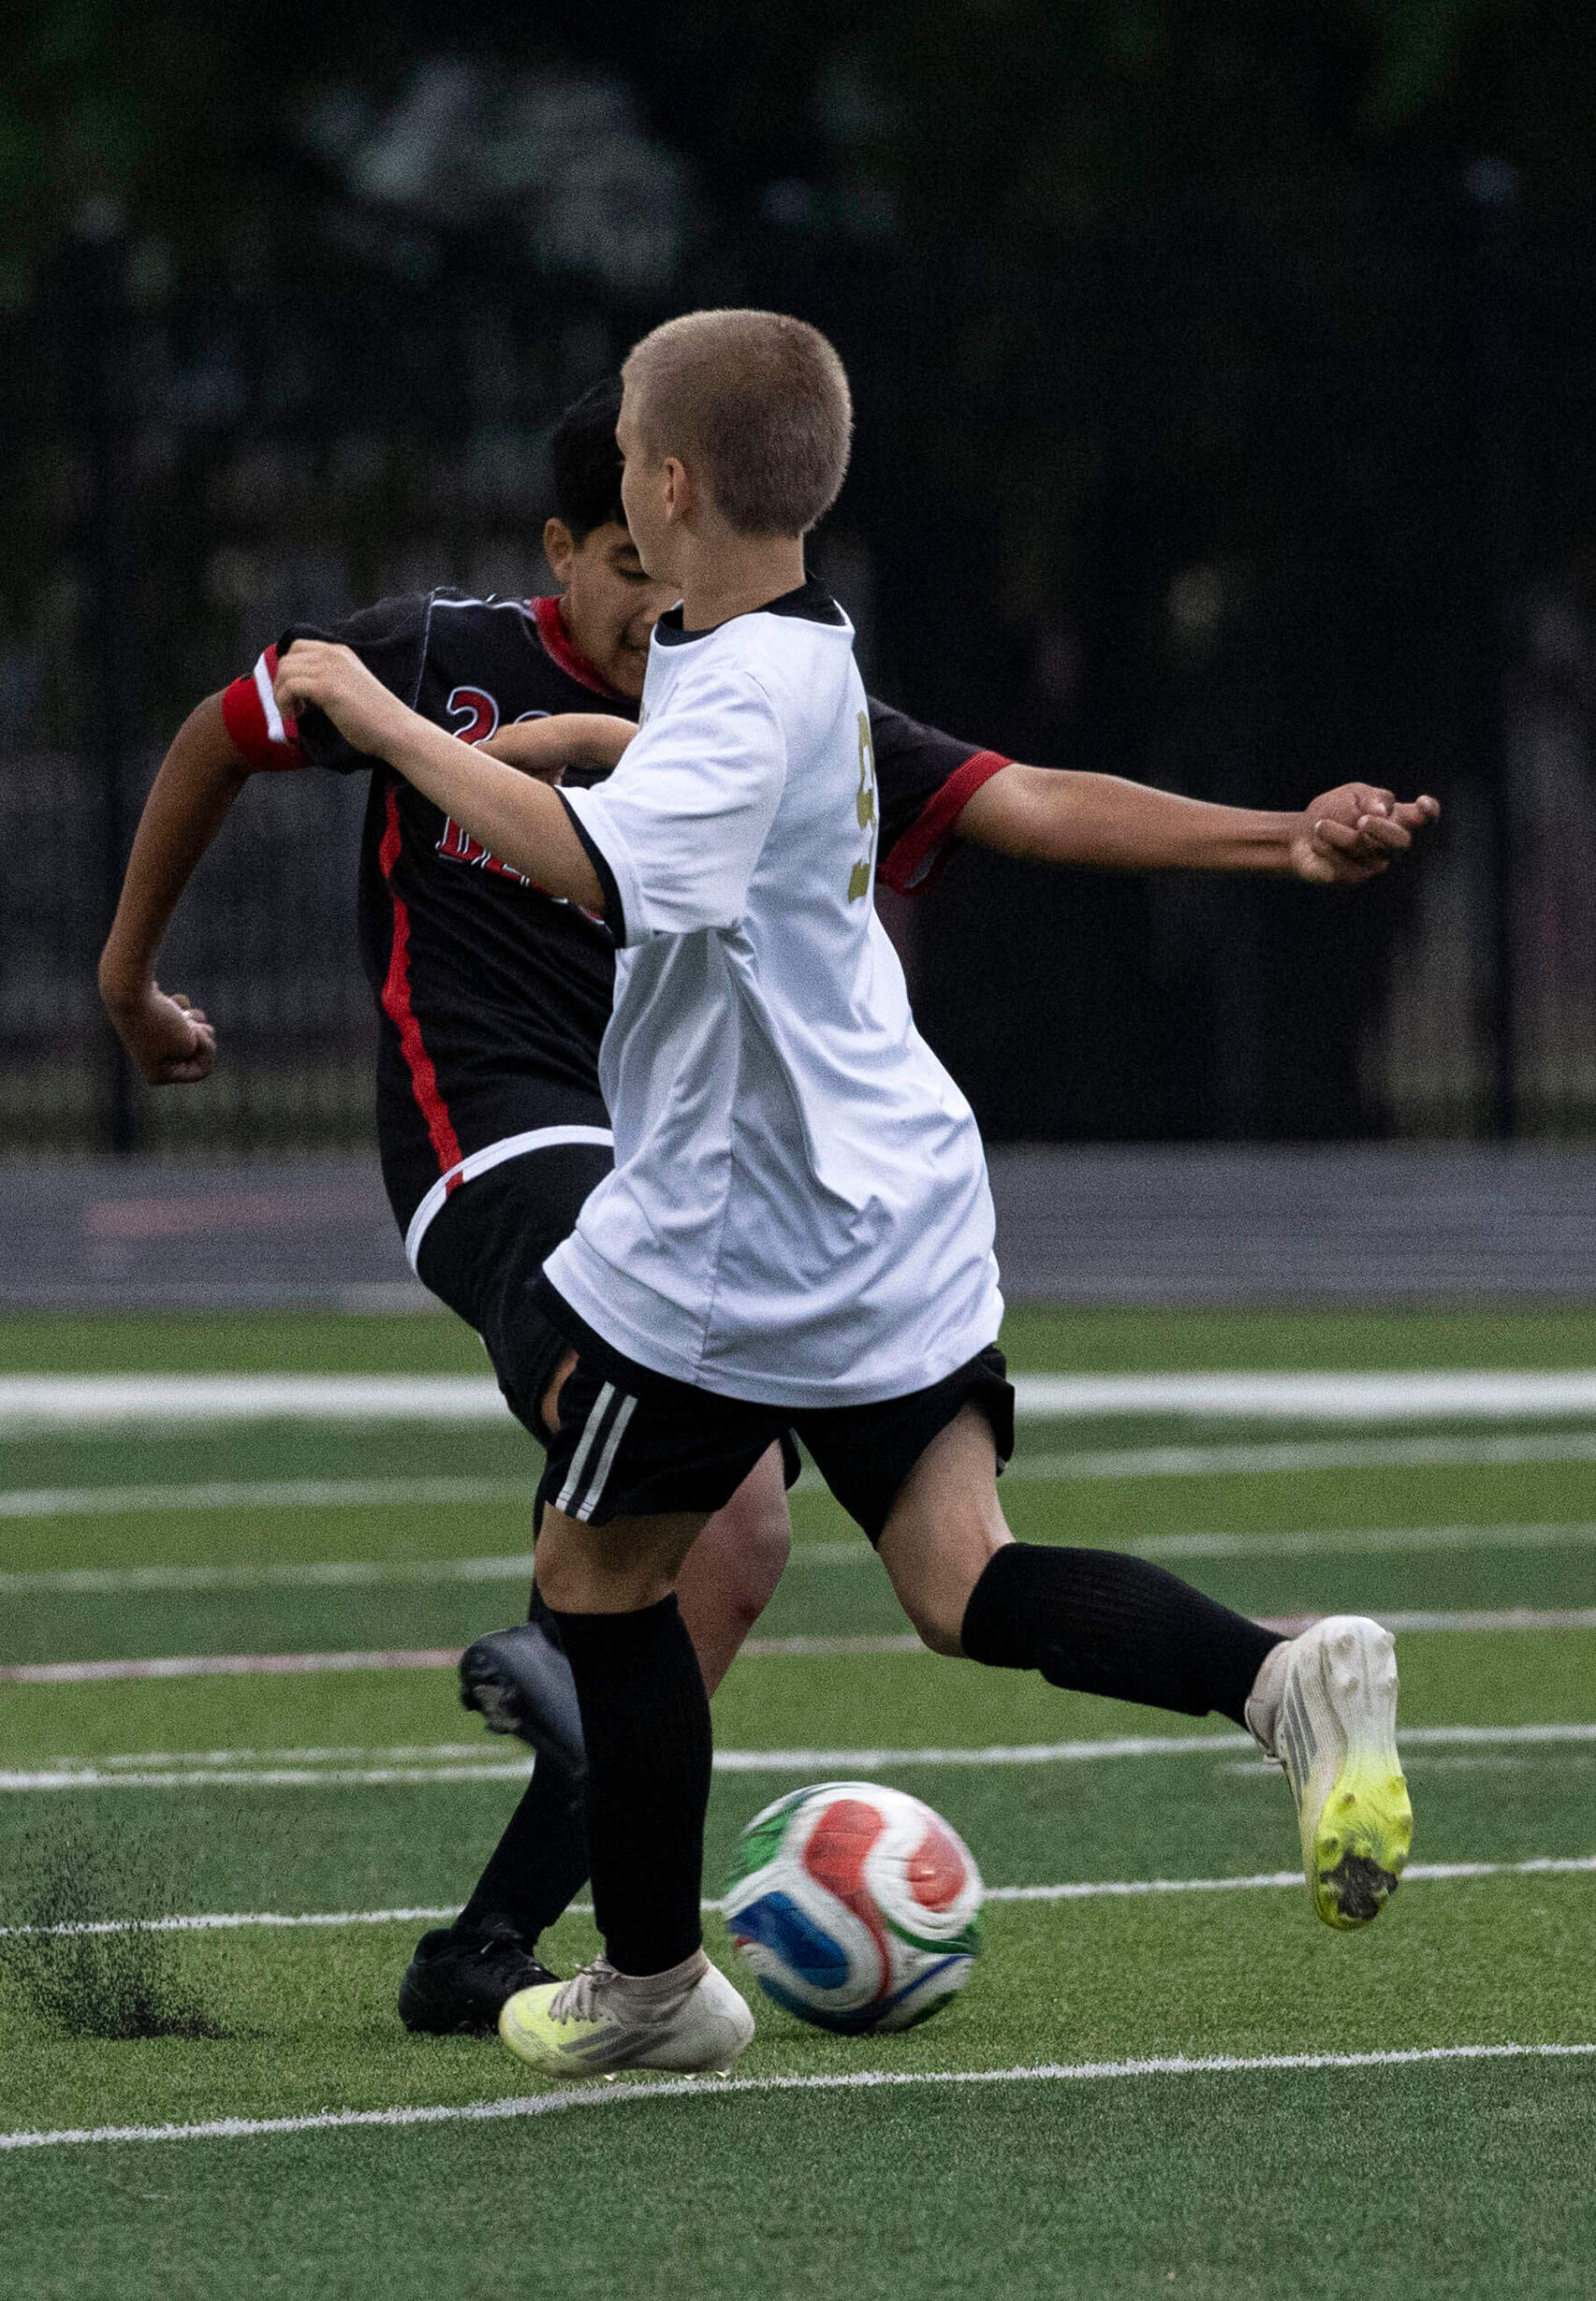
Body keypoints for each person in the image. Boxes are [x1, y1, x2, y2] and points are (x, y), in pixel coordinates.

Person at [271, 308, 1421, 2083]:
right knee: (963, 1581)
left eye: (630, 458)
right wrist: (1280, 835)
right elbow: (752, 790)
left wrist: (375, 715)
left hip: (741, 1240)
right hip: (899, 1209)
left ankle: (654, 1987)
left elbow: (589, 867)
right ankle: (1281, 1678)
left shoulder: (737, 689)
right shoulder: (793, 644)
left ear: (666, 487)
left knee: (597, 1574)